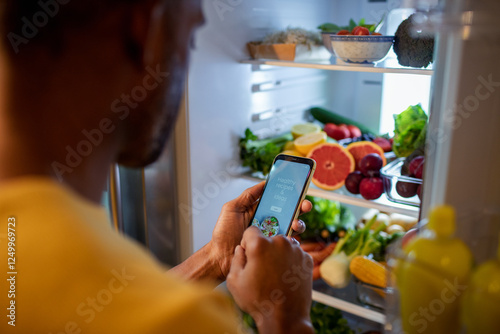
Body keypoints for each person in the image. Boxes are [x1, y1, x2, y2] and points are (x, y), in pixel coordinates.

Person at [0, 1, 315, 333]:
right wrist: (285, 316)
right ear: (144, 31)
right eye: (191, 38)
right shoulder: (186, 322)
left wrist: (216, 259)